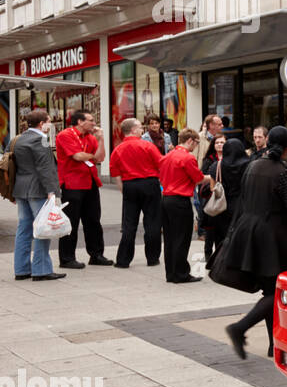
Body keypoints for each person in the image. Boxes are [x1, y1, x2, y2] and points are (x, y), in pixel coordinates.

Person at [222, 126, 287, 359]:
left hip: (250, 232)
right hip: (273, 237)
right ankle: (240, 327)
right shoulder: (285, 171)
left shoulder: (252, 165)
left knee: (269, 289)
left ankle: (274, 345)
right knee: (276, 291)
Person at [11, 109, 66, 282]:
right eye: (49, 121)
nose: (50, 125)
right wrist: (53, 192)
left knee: (23, 229)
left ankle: (21, 269)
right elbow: (45, 168)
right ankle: (41, 270)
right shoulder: (40, 140)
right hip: (38, 190)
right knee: (44, 228)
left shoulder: (17, 139)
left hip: (21, 189)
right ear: (42, 123)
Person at [55, 109, 111, 269]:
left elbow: (100, 158)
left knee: (93, 220)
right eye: (91, 120)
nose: (94, 123)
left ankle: (96, 254)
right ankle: (67, 258)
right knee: (70, 222)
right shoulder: (65, 135)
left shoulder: (91, 138)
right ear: (80, 122)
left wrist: (100, 140)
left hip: (90, 182)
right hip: (72, 184)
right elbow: (77, 156)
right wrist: (91, 155)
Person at [159, 129, 212, 284]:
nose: (196, 147)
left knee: (169, 238)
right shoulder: (187, 157)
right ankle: (181, 273)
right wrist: (211, 177)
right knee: (181, 238)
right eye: (196, 143)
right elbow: (198, 178)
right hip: (180, 200)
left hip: (166, 198)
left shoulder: (167, 156)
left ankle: (171, 273)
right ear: (190, 140)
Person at [109, 118, 163, 269]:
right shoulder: (148, 146)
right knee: (152, 221)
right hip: (150, 183)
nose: (142, 130)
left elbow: (116, 175)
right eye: (140, 127)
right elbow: (161, 164)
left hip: (129, 185)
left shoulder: (118, 150)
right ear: (133, 130)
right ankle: (152, 258)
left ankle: (123, 260)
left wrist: (124, 190)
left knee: (129, 223)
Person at [201, 135, 250, 262]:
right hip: (242, 205)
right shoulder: (249, 165)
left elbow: (212, 188)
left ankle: (221, 261)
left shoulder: (216, 166)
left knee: (221, 236)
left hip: (222, 207)